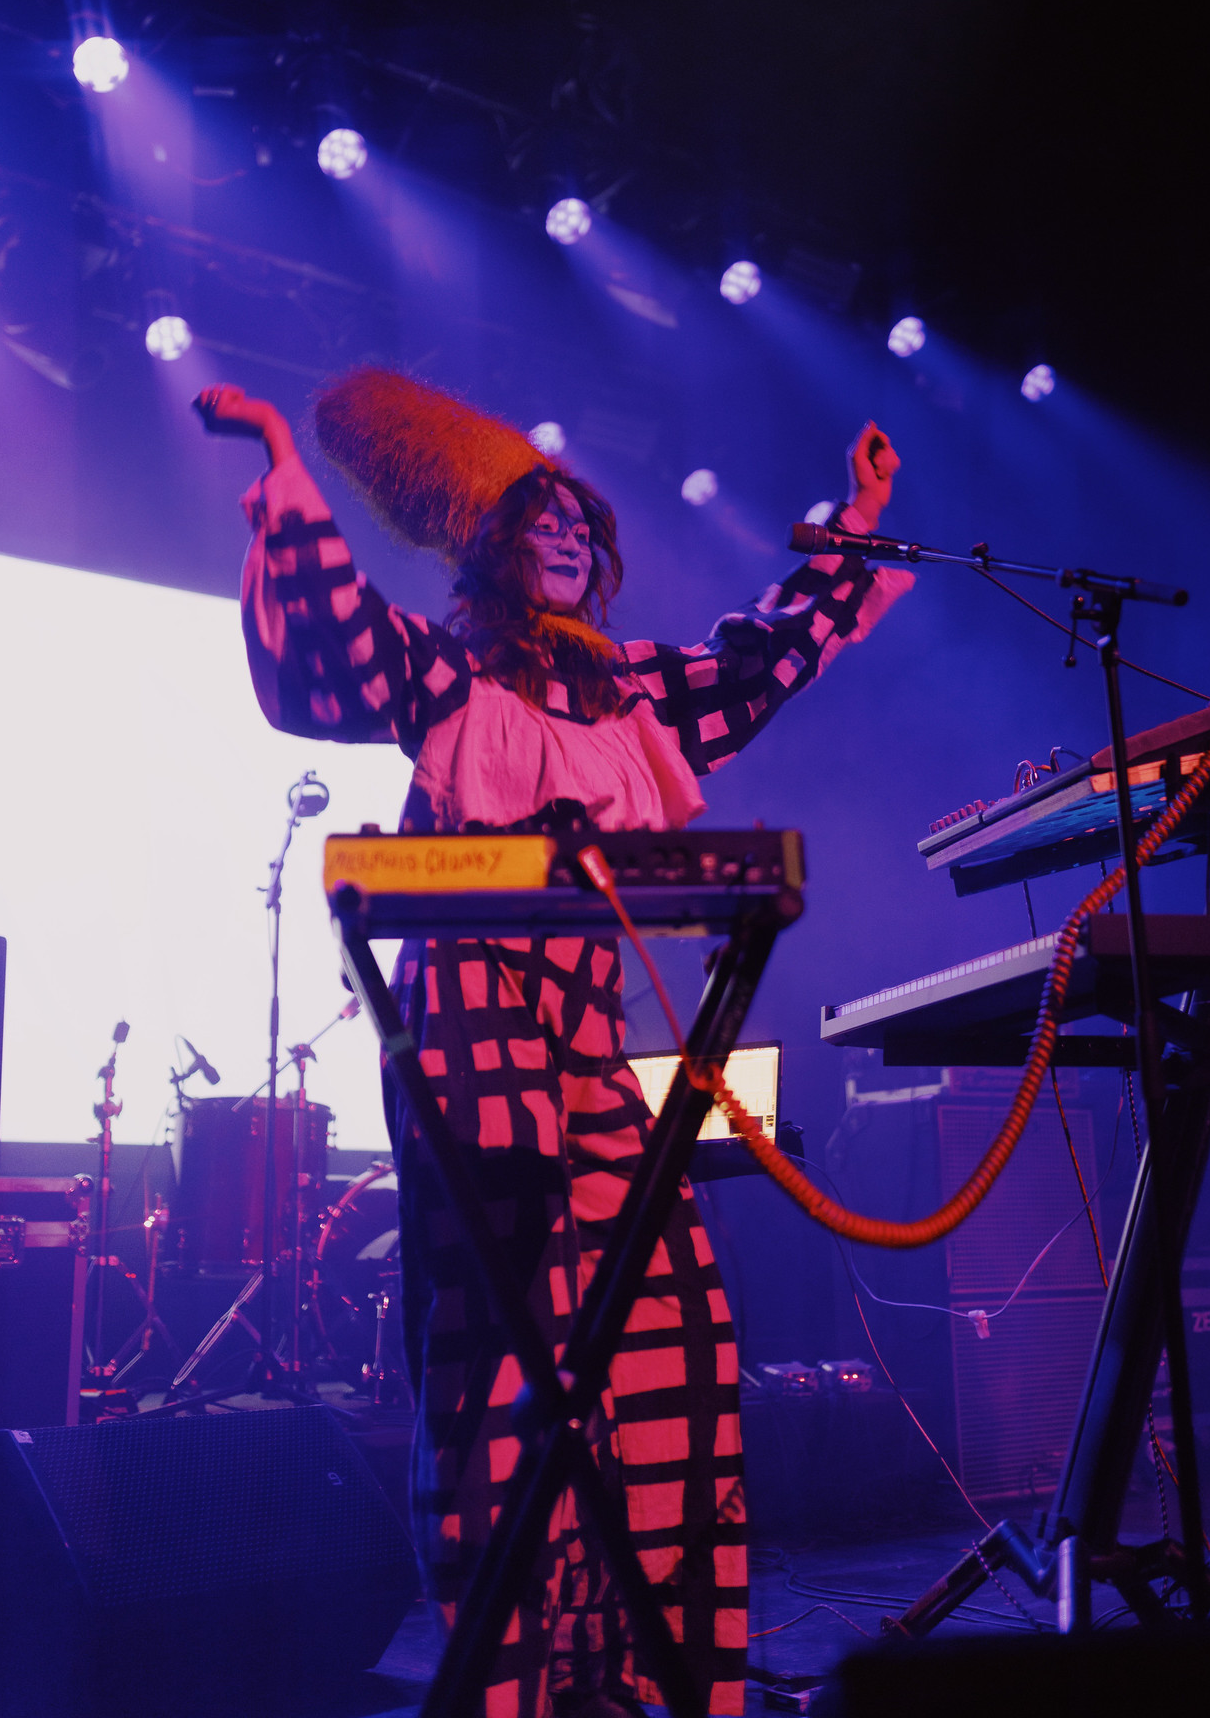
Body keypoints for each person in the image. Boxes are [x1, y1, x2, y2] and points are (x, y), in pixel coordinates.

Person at [195, 371, 913, 1718]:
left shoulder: (636, 694)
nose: (574, 536)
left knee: (670, 1340)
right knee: (507, 1366)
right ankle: (515, 1679)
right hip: (470, 1044)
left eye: (586, 521)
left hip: (590, 1054)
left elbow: (765, 654)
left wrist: (857, 519)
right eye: (544, 520)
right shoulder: (449, 667)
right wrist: (288, 466)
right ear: (492, 547)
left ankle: (645, 1670)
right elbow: (330, 649)